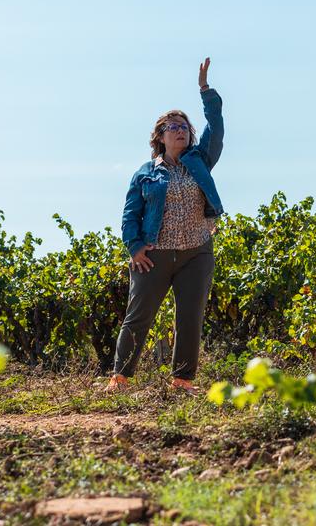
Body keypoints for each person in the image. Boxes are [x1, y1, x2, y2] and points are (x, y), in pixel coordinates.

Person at [107, 58, 224, 393]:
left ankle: (182, 380)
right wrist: (134, 246)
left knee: (190, 317)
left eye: (185, 125)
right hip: (154, 255)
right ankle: (120, 378)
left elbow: (215, 126)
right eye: (173, 126)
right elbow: (130, 213)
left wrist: (206, 91)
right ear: (159, 137)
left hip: (196, 252)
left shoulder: (200, 161)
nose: (181, 129)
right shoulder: (146, 172)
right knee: (138, 316)